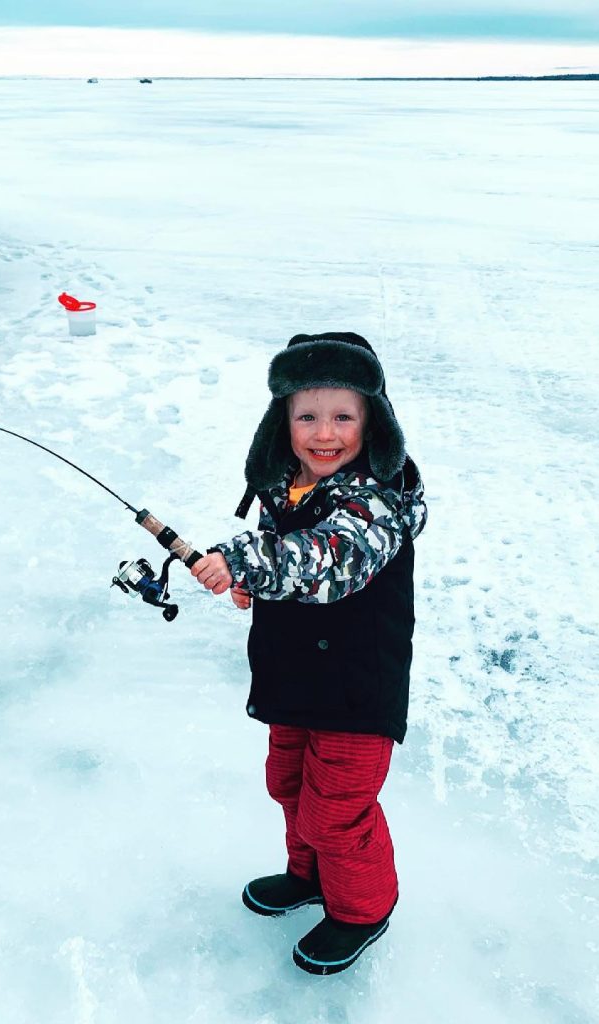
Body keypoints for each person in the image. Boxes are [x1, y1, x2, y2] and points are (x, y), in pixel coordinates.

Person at [191, 331, 427, 976]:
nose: (325, 433)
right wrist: (247, 575)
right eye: (307, 416)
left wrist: (243, 559)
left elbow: (330, 560)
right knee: (288, 784)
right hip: (294, 677)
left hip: (355, 688)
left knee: (337, 811)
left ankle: (361, 910)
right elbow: (284, 562)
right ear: (283, 422)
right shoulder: (285, 487)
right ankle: (311, 877)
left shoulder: (381, 497)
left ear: (373, 421)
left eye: (343, 416)